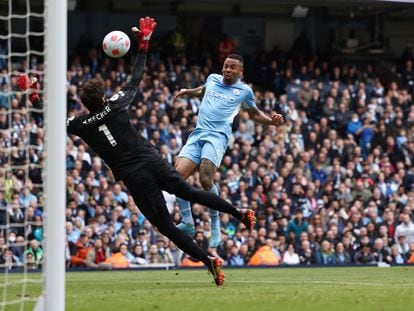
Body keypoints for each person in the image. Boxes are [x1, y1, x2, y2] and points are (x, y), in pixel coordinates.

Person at [18, 17, 255, 286]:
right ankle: (239, 213)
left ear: (85, 104)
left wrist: (34, 96)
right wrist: (143, 45)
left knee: (166, 226)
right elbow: (136, 76)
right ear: (104, 96)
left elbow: (47, 119)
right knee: (189, 192)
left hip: (134, 177)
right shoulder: (117, 105)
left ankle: (209, 261)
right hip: (151, 160)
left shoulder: (80, 124)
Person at [174, 53, 284, 250]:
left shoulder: (244, 92)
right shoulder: (213, 78)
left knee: (205, 180)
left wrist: (270, 121)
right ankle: (188, 223)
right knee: (175, 177)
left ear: (240, 71)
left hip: (217, 137)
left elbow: (254, 114)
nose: (227, 70)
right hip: (198, 134)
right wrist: (187, 91)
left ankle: (215, 222)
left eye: (233, 67)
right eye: (226, 66)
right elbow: (203, 91)